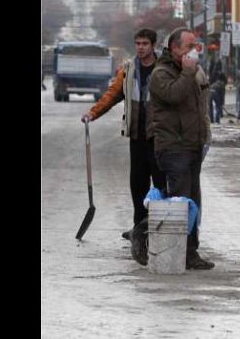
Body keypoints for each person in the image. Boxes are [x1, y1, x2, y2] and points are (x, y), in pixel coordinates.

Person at [81, 28, 166, 240]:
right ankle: (139, 227)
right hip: (137, 135)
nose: (141, 47)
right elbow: (112, 95)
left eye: (145, 43)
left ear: (153, 45)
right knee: (137, 184)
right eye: (138, 43)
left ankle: (160, 226)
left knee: (161, 183)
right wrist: (93, 113)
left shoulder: (164, 68)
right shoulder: (128, 70)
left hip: (159, 136)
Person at [149, 27, 215, 270]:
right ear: (174, 48)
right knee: (181, 200)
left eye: (195, 46)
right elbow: (174, 96)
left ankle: (190, 251)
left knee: (192, 201)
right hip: (173, 147)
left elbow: (201, 107)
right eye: (188, 46)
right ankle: (178, 252)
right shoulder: (161, 73)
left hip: (192, 146)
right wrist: (188, 73)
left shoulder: (193, 73)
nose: (194, 51)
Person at [208, 57, 226, 124]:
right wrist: (222, 102)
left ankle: (211, 119)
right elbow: (222, 94)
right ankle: (217, 120)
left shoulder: (211, 73)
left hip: (210, 89)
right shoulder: (221, 81)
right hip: (216, 91)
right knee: (218, 105)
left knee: (210, 106)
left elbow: (209, 81)